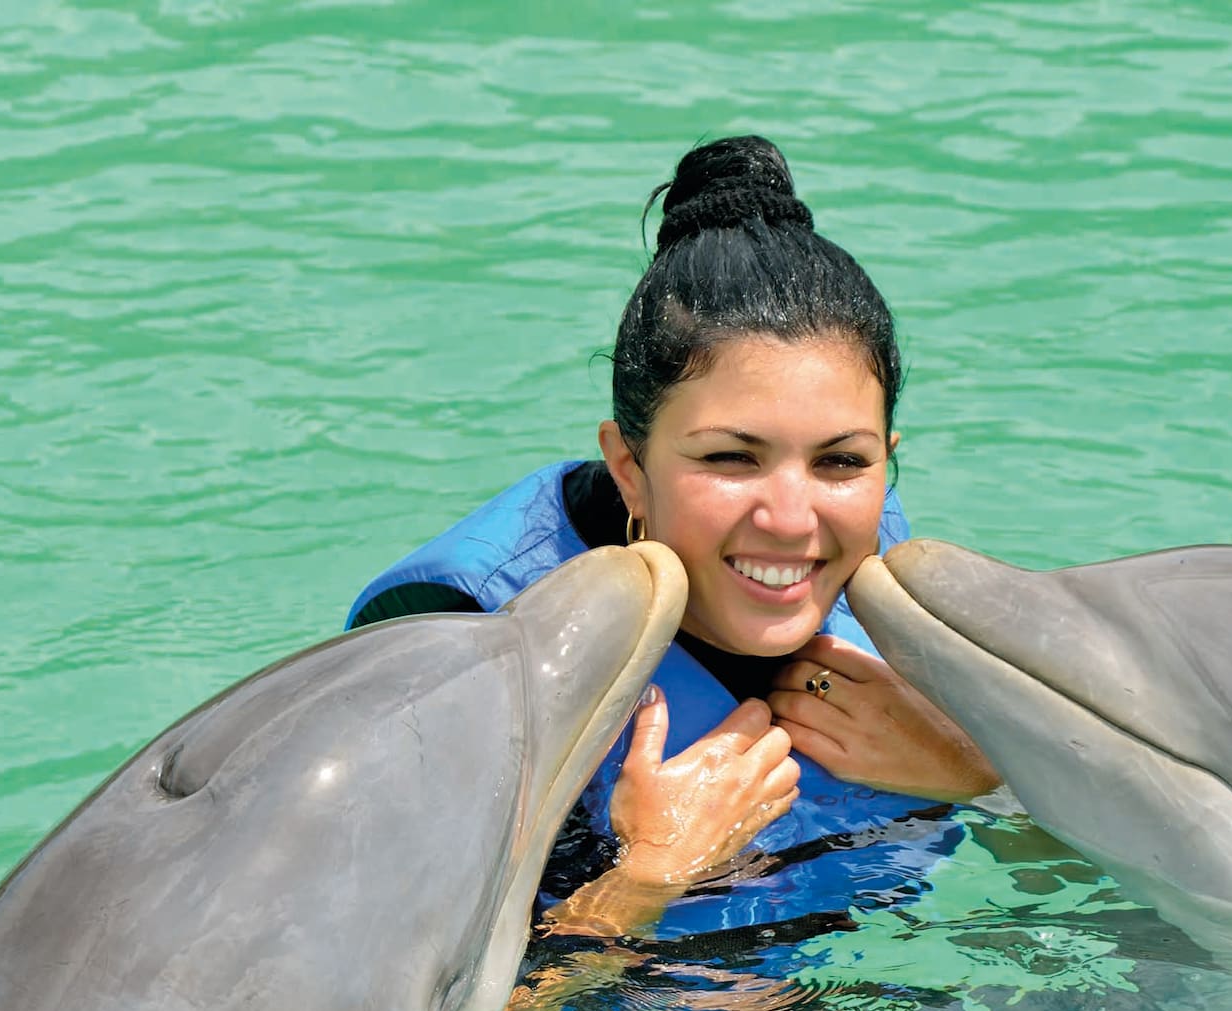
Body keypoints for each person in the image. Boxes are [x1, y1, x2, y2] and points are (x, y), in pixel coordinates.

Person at [348, 135, 998, 941]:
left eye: (840, 461)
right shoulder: (462, 650)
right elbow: (377, 1001)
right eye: (730, 458)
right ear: (628, 466)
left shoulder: (888, 585)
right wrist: (644, 879)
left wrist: (974, 771)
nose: (793, 520)